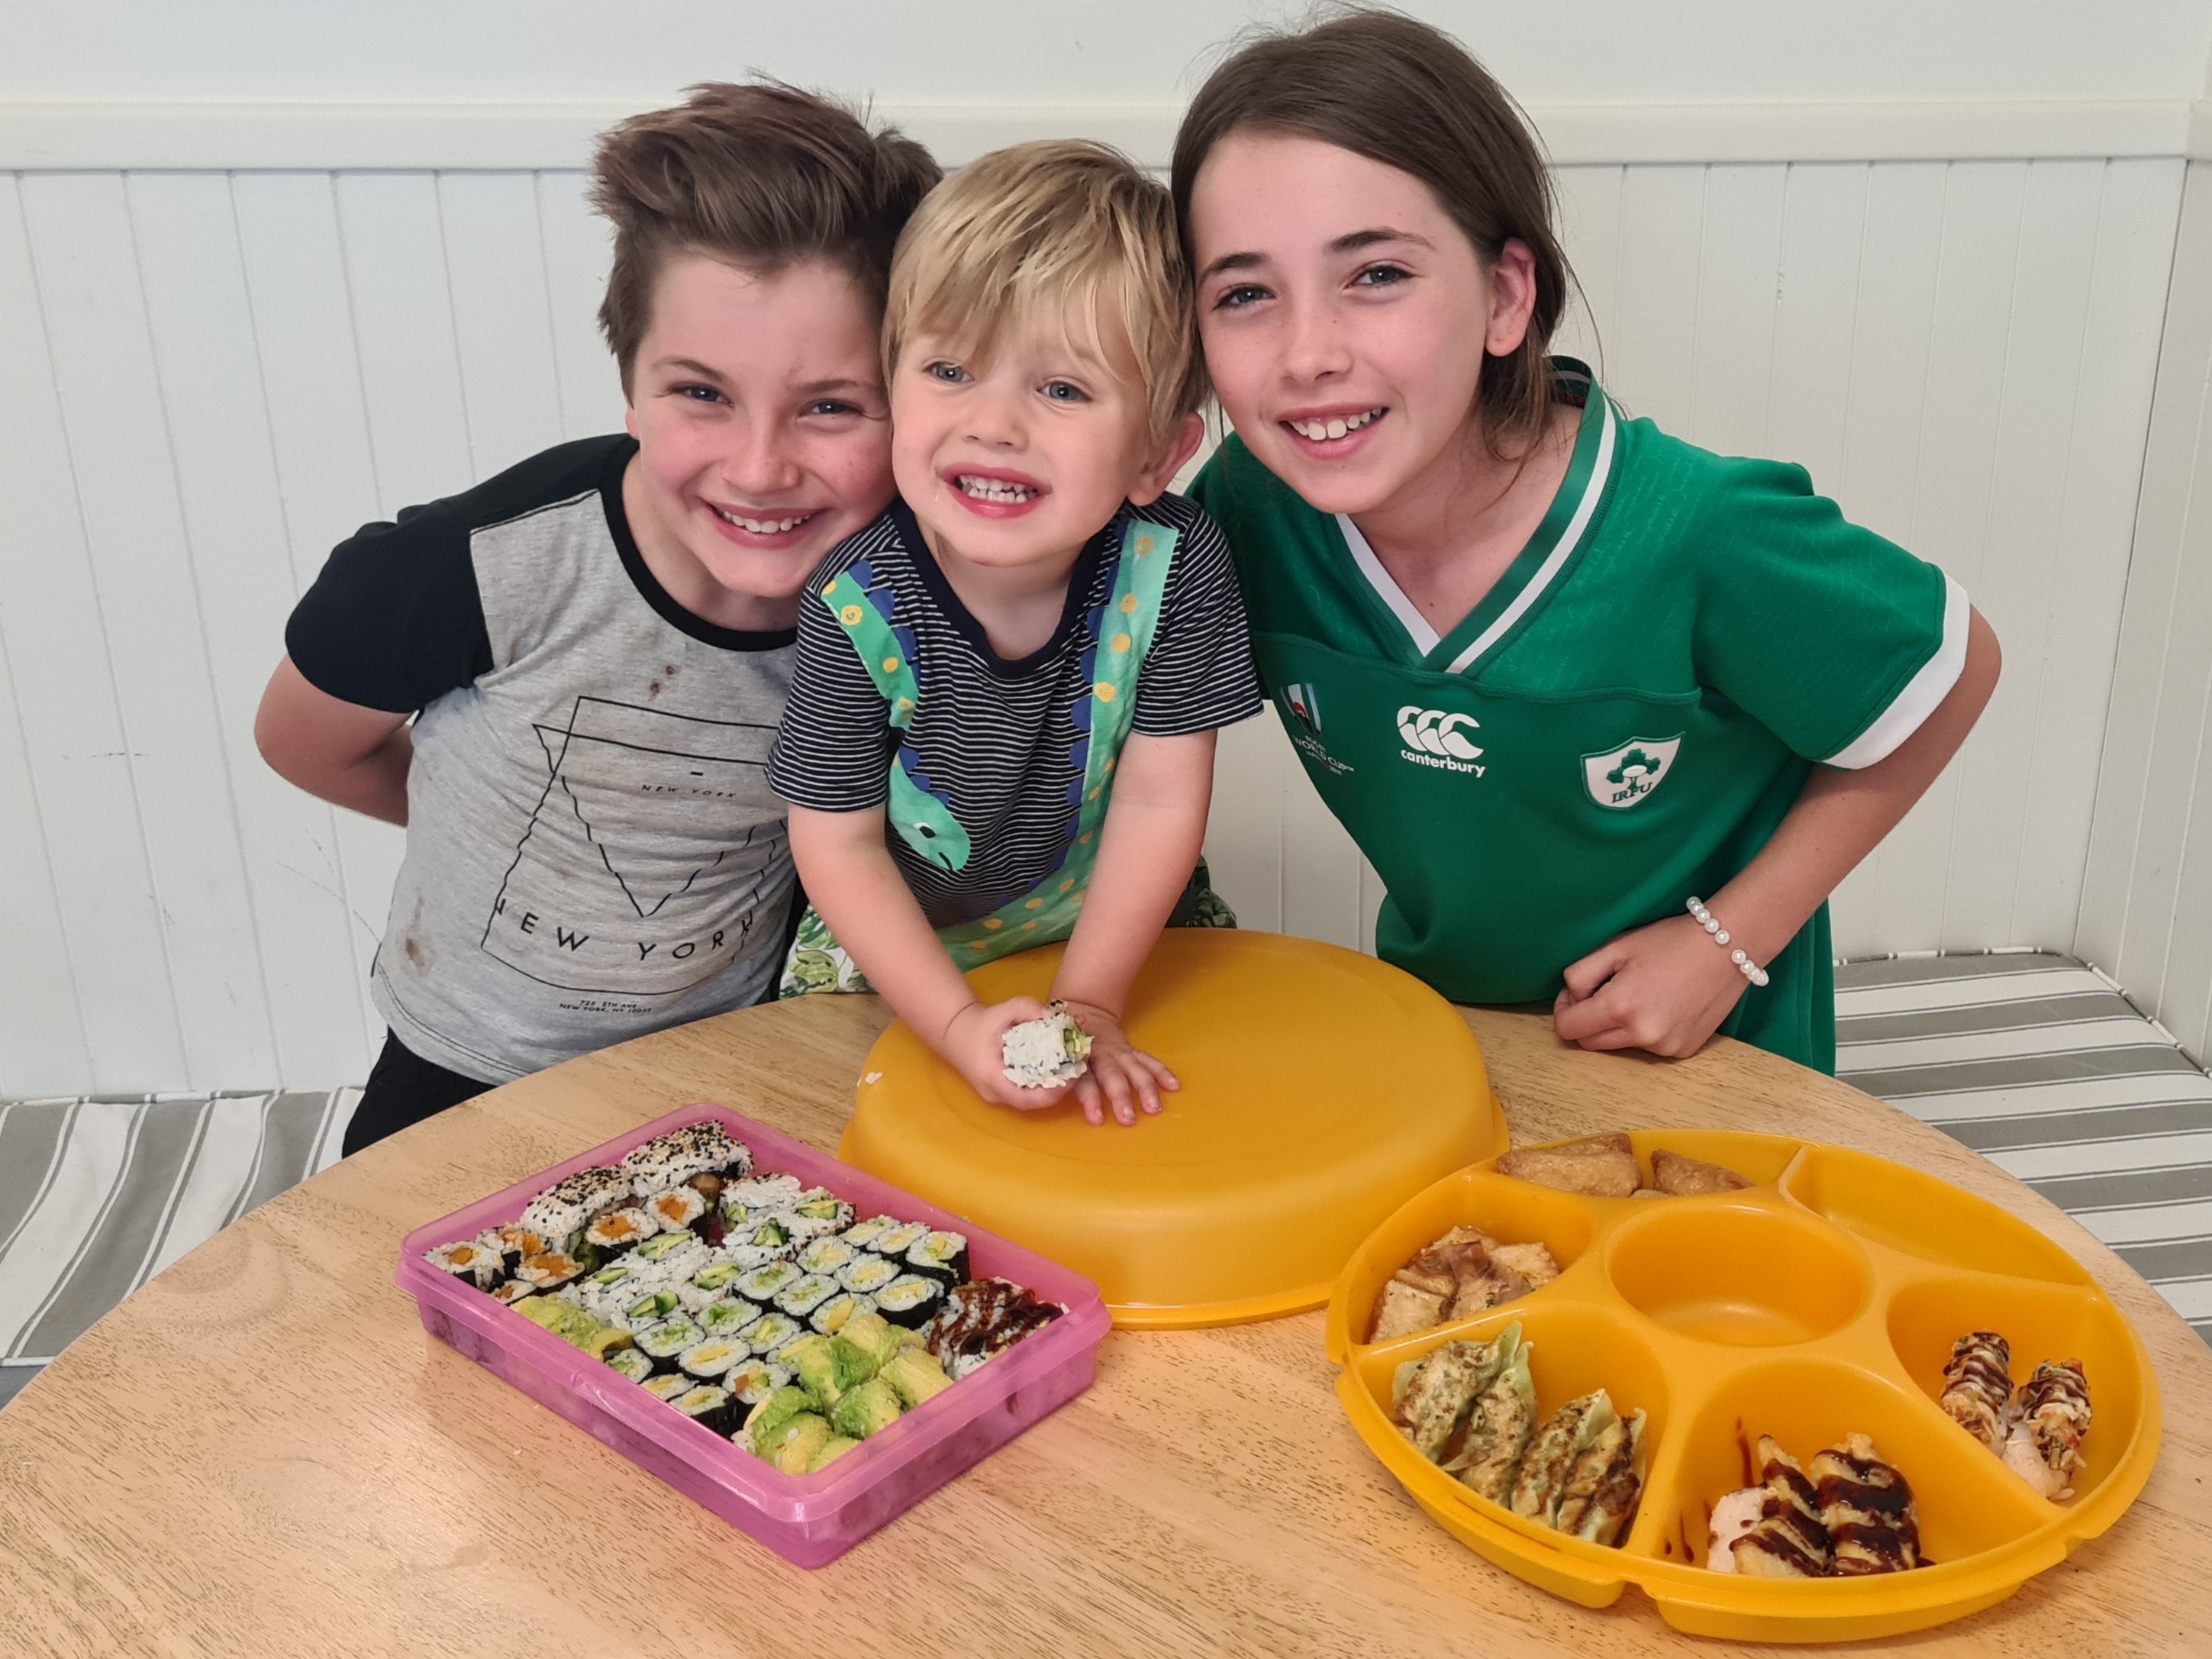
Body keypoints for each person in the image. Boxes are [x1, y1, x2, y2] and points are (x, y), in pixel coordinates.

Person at [1175, 10, 2000, 1074]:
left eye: (1374, 274)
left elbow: (1951, 666)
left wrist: (1724, 946)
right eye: (1244, 293)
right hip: (1450, 1044)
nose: (1307, 353)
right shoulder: (1249, 506)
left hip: (1714, 1062)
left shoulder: (1690, 527)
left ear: (1504, 296)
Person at [253, 82, 940, 1153]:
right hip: (459, 1066)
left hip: (729, 1067)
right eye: (700, 393)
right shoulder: (475, 567)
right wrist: (474, 824)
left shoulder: (908, 606)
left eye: (831, 405)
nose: (760, 468)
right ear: (629, 386)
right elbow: (304, 741)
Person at [768, 140, 1262, 1126]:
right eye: (949, 369)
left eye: (1062, 389)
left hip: (1116, 928)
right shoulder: (851, 598)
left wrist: (1089, 1002)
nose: (993, 423)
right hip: (899, 949)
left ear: (1158, 453)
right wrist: (954, 1024)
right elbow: (838, 846)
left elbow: (1160, 803)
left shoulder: (1175, 562)